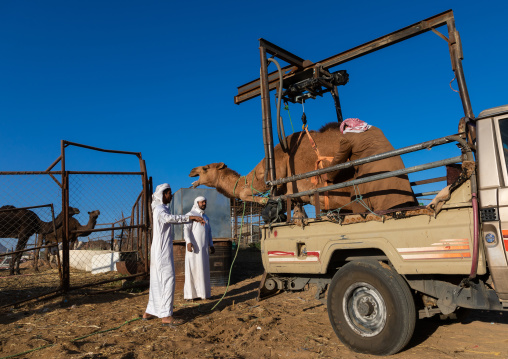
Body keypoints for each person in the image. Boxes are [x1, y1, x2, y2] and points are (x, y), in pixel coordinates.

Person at [143, 183, 205, 326]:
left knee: (157, 280)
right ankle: (165, 315)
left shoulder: (160, 208)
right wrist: (190, 218)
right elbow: (168, 218)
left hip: (160, 249)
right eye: (169, 193)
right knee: (168, 279)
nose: (171, 195)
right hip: (161, 251)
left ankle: (150, 311)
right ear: (163, 194)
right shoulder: (159, 209)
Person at [327, 118, 417, 212]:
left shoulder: (347, 137)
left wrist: (329, 175)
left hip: (374, 168)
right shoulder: (375, 129)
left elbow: (338, 160)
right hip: (396, 163)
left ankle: (364, 219)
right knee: (398, 190)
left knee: (358, 196)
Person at [183, 196, 215, 300]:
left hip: (204, 249)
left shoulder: (206, 217)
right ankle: (191, 295)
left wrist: (211, 244)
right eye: (202, 202)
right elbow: (186, 230)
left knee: (203, 270)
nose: (204, 204)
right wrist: (188, 242)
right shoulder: (190, 215)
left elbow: (209, 232)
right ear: (197, 203)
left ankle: (203, 294)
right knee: (193, 269)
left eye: (205, 202)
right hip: (194, 249)